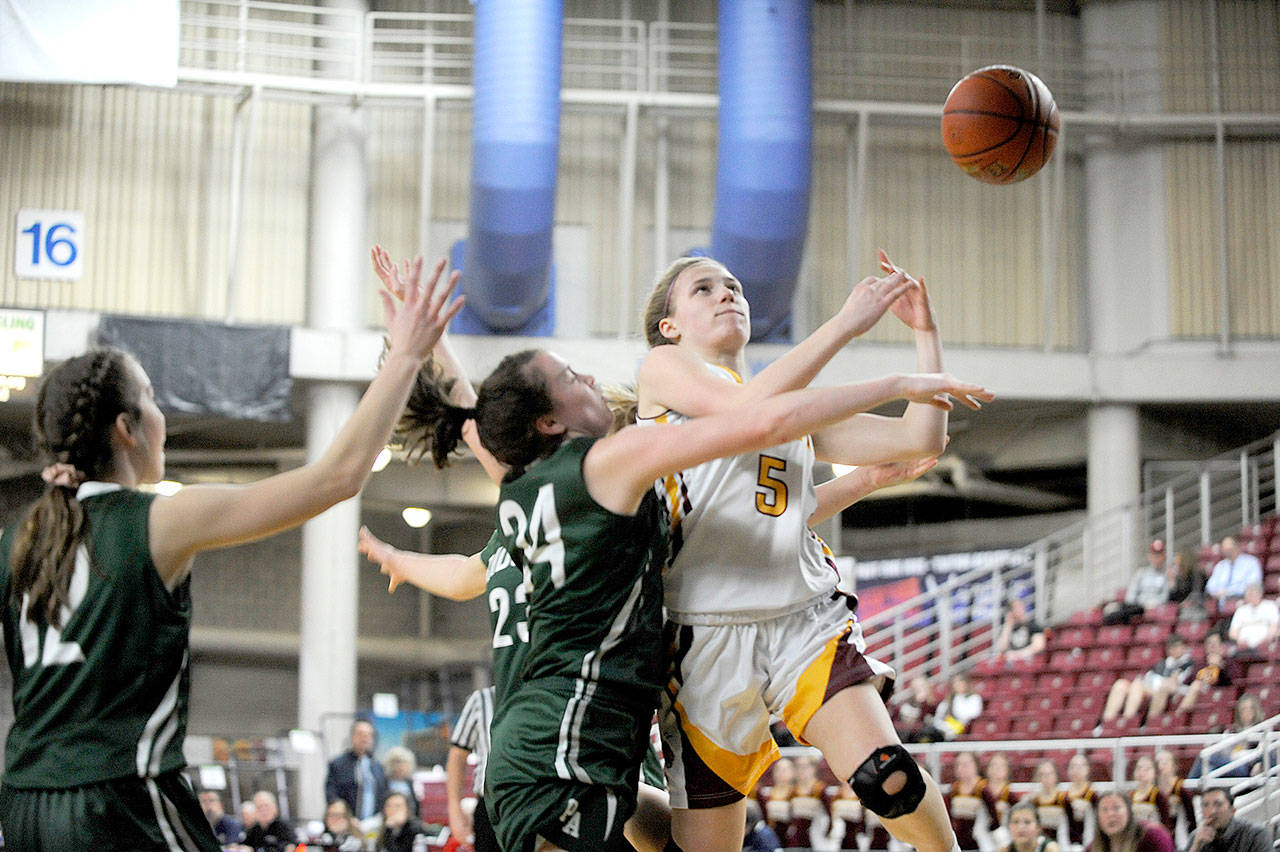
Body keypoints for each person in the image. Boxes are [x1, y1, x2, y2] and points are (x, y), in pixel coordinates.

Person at [375, 340, 988, 851]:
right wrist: (894, 372)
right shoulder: (609, 468)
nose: (588, 375)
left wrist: (425, 341)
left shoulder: (526, 483)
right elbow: (762, 418)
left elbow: (476, 426)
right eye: (569, 376)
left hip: (565, 743)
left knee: (681, 839)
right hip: (563, 748)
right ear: (549, 421)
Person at [0, 255, 461, 850]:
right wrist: (405, 356)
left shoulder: (19, 539)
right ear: (126, 428)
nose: (163, 417)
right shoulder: (160, 520)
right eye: (152, 400)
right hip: (121, 797)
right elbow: (336, 479)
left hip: (26, 805)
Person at [636, 251, 986, 852]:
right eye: (703, 289)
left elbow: (919, 438)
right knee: (701, 844)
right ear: (670, 327)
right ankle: (605, 802)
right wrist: (849, 323)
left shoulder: (785, 406)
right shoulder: (664, 370)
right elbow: (748, 416)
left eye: (734, 283)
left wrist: (925, 339)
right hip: (702, 637)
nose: (727, 293)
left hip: (802, 619)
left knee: (888, 777)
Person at [447, 685, 499, 852]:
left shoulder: (548, 690)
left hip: (538, 803)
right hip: (491, 806)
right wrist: (455, 812)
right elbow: (457, 756)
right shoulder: (483, 699)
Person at [1102, 635, 1195, 725]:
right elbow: (1148, 677)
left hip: (1171, 691)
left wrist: (1161, 681)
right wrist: (1161, 681)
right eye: (1171, 647)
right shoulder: (1163, 663)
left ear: (1185, 647)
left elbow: (1175, 683)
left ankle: (1128, 721)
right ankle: (1106, 723)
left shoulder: (1189, 663)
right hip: (1153, 688)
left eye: (1178, 646)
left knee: (1139, 685)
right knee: (1121, 684)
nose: (1174, 649)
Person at [326, 718, 389, 822]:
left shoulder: (377, 766)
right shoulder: (337, 764)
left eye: (368, 735)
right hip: (347, 822)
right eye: (361, 734)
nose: (365, 738)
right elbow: (332, 796)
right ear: (352, 737)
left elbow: (383, 794)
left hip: (373, 825)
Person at [1185, 788, 1271, 852]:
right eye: (1206, 805)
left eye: (1218, 804)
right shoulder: (1197, 837)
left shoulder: (1255, 834)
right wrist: (1196, 847)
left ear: (1232, 810)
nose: (1212, 811)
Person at [1105, 541, 1170, 623]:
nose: (1157, 559)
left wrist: (1150, 604)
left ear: (1164, 557)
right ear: (1149, 556)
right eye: (1154, 555)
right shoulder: (1141, 573)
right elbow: (1131, 595)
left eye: (1159, 555)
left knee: (1123, 613)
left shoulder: (1167, 575)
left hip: (1154, 607)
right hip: (1137, 606)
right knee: (1122, 608)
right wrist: (1139, 603)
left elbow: (1164, 597)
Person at [946, 751, 999, 852]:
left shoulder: (982, 788)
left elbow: (994, 816)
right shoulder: (954, 789)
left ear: (976, 766)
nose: (961, 768)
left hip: (980, 841)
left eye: (965, 764)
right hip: (959, 841)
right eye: (958, 765)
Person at [1175, 633, 1239, 714]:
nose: (1212, 646)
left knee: (1197, 684)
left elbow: (1233, 680)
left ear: (1222, 646)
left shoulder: (1228, 662)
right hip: (1196, 690)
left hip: (1216, 691)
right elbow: (1188, 681)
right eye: (1209, 643)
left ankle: (1179, 714)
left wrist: (1220, 666)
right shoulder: (1201, 663)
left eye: (1215, 643)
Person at [1091, 792, 1174, 852]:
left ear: (1129, 812)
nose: (1110, 814)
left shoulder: (1154, 837)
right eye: (1104, 810)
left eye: (1116, 808)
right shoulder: (1093, 847)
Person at [781, 754, 832, 850]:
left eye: (805, 767)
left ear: (813, 768)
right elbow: (790, 816)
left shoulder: (820, 789)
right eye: (798, 767)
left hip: (817, 836)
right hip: (797, 837)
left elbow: (829, 814)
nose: (801, 770)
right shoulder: (793, 791)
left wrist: (827, 834)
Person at [1153, 749, 1194, 847]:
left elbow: (1191, 818)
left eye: (1165, 762)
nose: (1160, 765)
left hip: (1179, 836)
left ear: (1174, 766)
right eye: (1158, 762)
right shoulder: (1151, 790)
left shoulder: (1181, 790)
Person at [1205, 538, 1262, 608]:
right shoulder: (1220, 566)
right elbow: (1210, 586)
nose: (1227, 552)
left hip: (1242, 601)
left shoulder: (1251, 562)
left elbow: (1253, 585)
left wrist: (1228, 592)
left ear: (1237, 548)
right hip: (1221, 603)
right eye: (1225, 550)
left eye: (1229, 549)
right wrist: (1217, 592)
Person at [1025, 760, 1073, 844]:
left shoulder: (1064, 799)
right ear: (1038, 777)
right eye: (1042, 774)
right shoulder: (1033, 800)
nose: (1046, 777)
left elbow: (1072, 826)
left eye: (1050, 774)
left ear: (1056, 776)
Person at [1226, 583, 1278, 659]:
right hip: (1244, 646)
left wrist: (1266, 640)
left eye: (1252, 594)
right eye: (1248, 594)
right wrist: (1240, 640)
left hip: (1264, 643)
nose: (1250, 597)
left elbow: (1274, 627)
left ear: (1260, 594)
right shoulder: (1241, 610)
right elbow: (1232, 632)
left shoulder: (1270, 606)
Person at [930, 673, 985, 740]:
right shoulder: (947, 701)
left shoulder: (975, 697)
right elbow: (938, 718)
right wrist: (946, 727)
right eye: (955, 683)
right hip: (947, 730)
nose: (958, 685)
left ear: (966, 683)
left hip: (967, 729)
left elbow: (972, 715)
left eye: (960, 681)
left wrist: (958, 698)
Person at [995, 597, 1047, 663]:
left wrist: (1018, 655)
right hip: (1012, 663)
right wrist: (1008, 626)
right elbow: (1002, 648)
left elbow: (1039, 646)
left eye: (1019, 607)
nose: (1018, 610)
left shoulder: (1033, 626)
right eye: (1014, 608)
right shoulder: (1008, 628)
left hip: (1029, 662)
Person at [1128, 755, 1171, 833]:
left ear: (1155, 773)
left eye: (1147, 769)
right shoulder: (1130, 795)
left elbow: (1166, 824)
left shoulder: (1159, 796)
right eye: (1139, 768)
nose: (1142, 772)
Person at [758, 757, 796, 843]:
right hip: (771, 835)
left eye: (785, 769)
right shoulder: (767, 794)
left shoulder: (796, 793)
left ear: (793, 772)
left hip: (791, 837)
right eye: (778, 769)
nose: (781, 773)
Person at [1065, 753, 1098, 848]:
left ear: (1087, 769)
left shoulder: (1093, 794)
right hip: (1068, 844)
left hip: (1089, 842)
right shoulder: (1063, 796)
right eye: (1072, 767)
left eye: (1079, 767)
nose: (1076, 770)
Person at [894, 676, 940, 743]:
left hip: (926, 735)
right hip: (909, 736)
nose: (918, 689)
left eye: (921, 687)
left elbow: (931, 719)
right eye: (916, 687)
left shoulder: (933, 704)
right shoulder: (905, 704)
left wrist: (924, 701)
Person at [827, 781, 867, 851]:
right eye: (845, 786)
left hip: (856, 835)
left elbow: (864, 820)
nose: (847, 788)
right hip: (839, 836)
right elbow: (830, 817)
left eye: (850, 787)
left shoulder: (861, 801)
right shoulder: (835, 800)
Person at [986, 754, 1015, 828]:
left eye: (1001, 766)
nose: (996, 768)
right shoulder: (980, 790)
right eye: (993, 765)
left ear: (1007, 770)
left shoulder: (1010, 793)